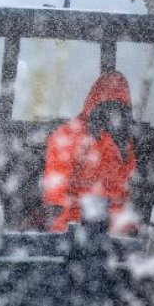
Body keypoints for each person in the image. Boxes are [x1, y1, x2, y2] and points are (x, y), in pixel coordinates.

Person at [43, 71, 138, 233]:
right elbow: (57, 196)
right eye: (108, 107)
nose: (114, 115)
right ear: (96, 106)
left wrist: (126, 226)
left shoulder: (124, 144)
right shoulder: (68, 136)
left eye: (120, 108)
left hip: (112, 231)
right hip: (72, 230)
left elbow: (124, 193)